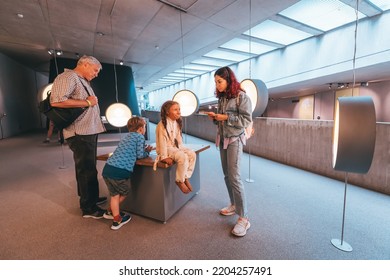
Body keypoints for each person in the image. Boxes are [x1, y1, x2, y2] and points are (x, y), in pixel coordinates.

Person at [50, 55, 107, 219]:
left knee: (88, 168)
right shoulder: (68, 77)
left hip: (87, 131)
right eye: (95, 70)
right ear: (86, 64)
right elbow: (57, 101)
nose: (96, 74)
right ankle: (89, 208)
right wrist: (87, 103)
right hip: (80, 132)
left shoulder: (80, 80)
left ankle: (91, 198)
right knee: (86, 169)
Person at [206, 66, 252, 237]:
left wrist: (225, 117)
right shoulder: (223, 98)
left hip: (235, 140)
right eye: (216, 82)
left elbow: (246, 121)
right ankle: (234, 204)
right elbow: (222, 121)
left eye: (220, 81)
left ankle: (244, 218)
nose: (217, 85)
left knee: (235, 177)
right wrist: (216, 118)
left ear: (228, 80)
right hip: (223, 138)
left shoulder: (242, 97)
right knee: (227, 175)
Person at [102, 116, 153, 230]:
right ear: (140, 128)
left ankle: (113, 215)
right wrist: (147, 152)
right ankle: (115, 218)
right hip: (120, 171)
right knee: (124, 192)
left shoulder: (126, 137)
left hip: (108, 168)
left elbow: (129, 150)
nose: (144, 129)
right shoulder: (139, 137)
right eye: (144, 126)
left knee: (114, 195)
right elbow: (140, 155)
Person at [155, 100, 196, 194]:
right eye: (175, 110)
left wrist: (183, 149)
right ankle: (179, 180)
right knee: (182, 156)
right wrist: (164, 157)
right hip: (165, 148)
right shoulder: (162, 125)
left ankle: (185, 176)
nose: (179, 112)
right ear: (167, 112)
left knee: (191, 153)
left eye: (179, 109)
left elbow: (179, 141)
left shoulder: (176, 123)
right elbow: (162, 143)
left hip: (174, 147)